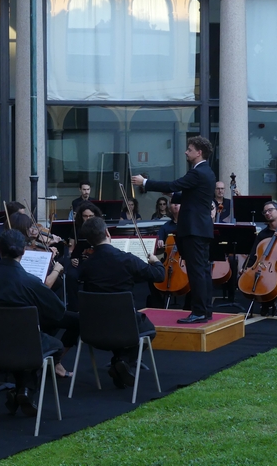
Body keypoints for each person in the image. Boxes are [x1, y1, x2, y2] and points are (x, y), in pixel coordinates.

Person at [0, 229, 65, 416]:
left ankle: (21, 390)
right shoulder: (30, 281)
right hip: (22, 345)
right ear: (24, 250)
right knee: (55, 345)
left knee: (26, 344)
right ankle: (25, 391)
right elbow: (58, 311)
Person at [132, 136, 216, 324]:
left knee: (196, 272)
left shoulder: (197, 173)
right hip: (200, 229)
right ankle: (205, 311)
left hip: (194, 229)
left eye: (189, 149)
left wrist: (145, 182)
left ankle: (199, 312)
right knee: (201, 271)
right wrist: (173, 194)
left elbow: (173, 184)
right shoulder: (206, 172)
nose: (186, 152)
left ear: (199, 152)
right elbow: (189, 195)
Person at [77, 217, 164, 389]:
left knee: (118, 320)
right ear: (107, 233)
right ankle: (123, 361)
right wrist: (156, 261)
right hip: (125, 327)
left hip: (94, 329)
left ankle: (120, 364)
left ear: (89, 240)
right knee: (148, 329)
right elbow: (158, 276)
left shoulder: (86, 266)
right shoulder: (127, 260)